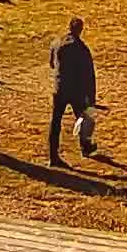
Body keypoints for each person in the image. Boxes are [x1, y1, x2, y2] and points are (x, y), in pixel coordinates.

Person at [47, 17, 98, 166]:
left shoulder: (57, 43)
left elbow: (52, 64)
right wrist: (91, 97)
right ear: (80, 30)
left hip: (60, 88)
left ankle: (53, 156)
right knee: (83, 119)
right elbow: (89, 75)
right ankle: (85, 146)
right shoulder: (81, 48)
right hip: (76, 91)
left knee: (56, 122)